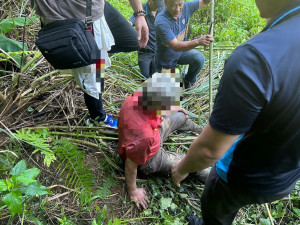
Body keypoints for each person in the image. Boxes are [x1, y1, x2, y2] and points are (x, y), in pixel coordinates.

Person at [171, 0, 300, 224]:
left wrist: (181, 168)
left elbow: (210, 151)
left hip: (241, 176)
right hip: (287, 175)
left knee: (215, 208)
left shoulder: (254, 60)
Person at [31, 0, 149, 128]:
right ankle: (98, 118)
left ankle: (90, 55)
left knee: (133, 40)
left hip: (95, 7)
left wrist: (139, 14)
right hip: (65, 16)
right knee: (94, 74)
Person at [118, 72, 211, 210]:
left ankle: (202, 131)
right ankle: (218, 176)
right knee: (190, 162)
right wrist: (133, 191)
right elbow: (131, 166)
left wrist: (172, 108)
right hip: (150, 158)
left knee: (180, 115)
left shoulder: (139, 96)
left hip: (154, 132)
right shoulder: (143, 137)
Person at [155, 0, 214, 89]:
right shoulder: (161, 21)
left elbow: (204, 2)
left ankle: (188, 83)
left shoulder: (186, 7)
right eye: (173, 5)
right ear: (165, 3)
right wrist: (198, 41)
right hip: (166, 61)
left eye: (180, 5)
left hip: (181, 53)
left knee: (198, 58)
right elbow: (176, 46)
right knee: (171, 95)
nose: (177, 9)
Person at [129, 0, 165, 78]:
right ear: (150, 1)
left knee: (157, 76)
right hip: (145, 52)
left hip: (158, 52)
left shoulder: (162, 10)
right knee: (145, 76)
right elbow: (131, 23)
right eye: (156, 5)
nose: (157, 7)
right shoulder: (141, 10)